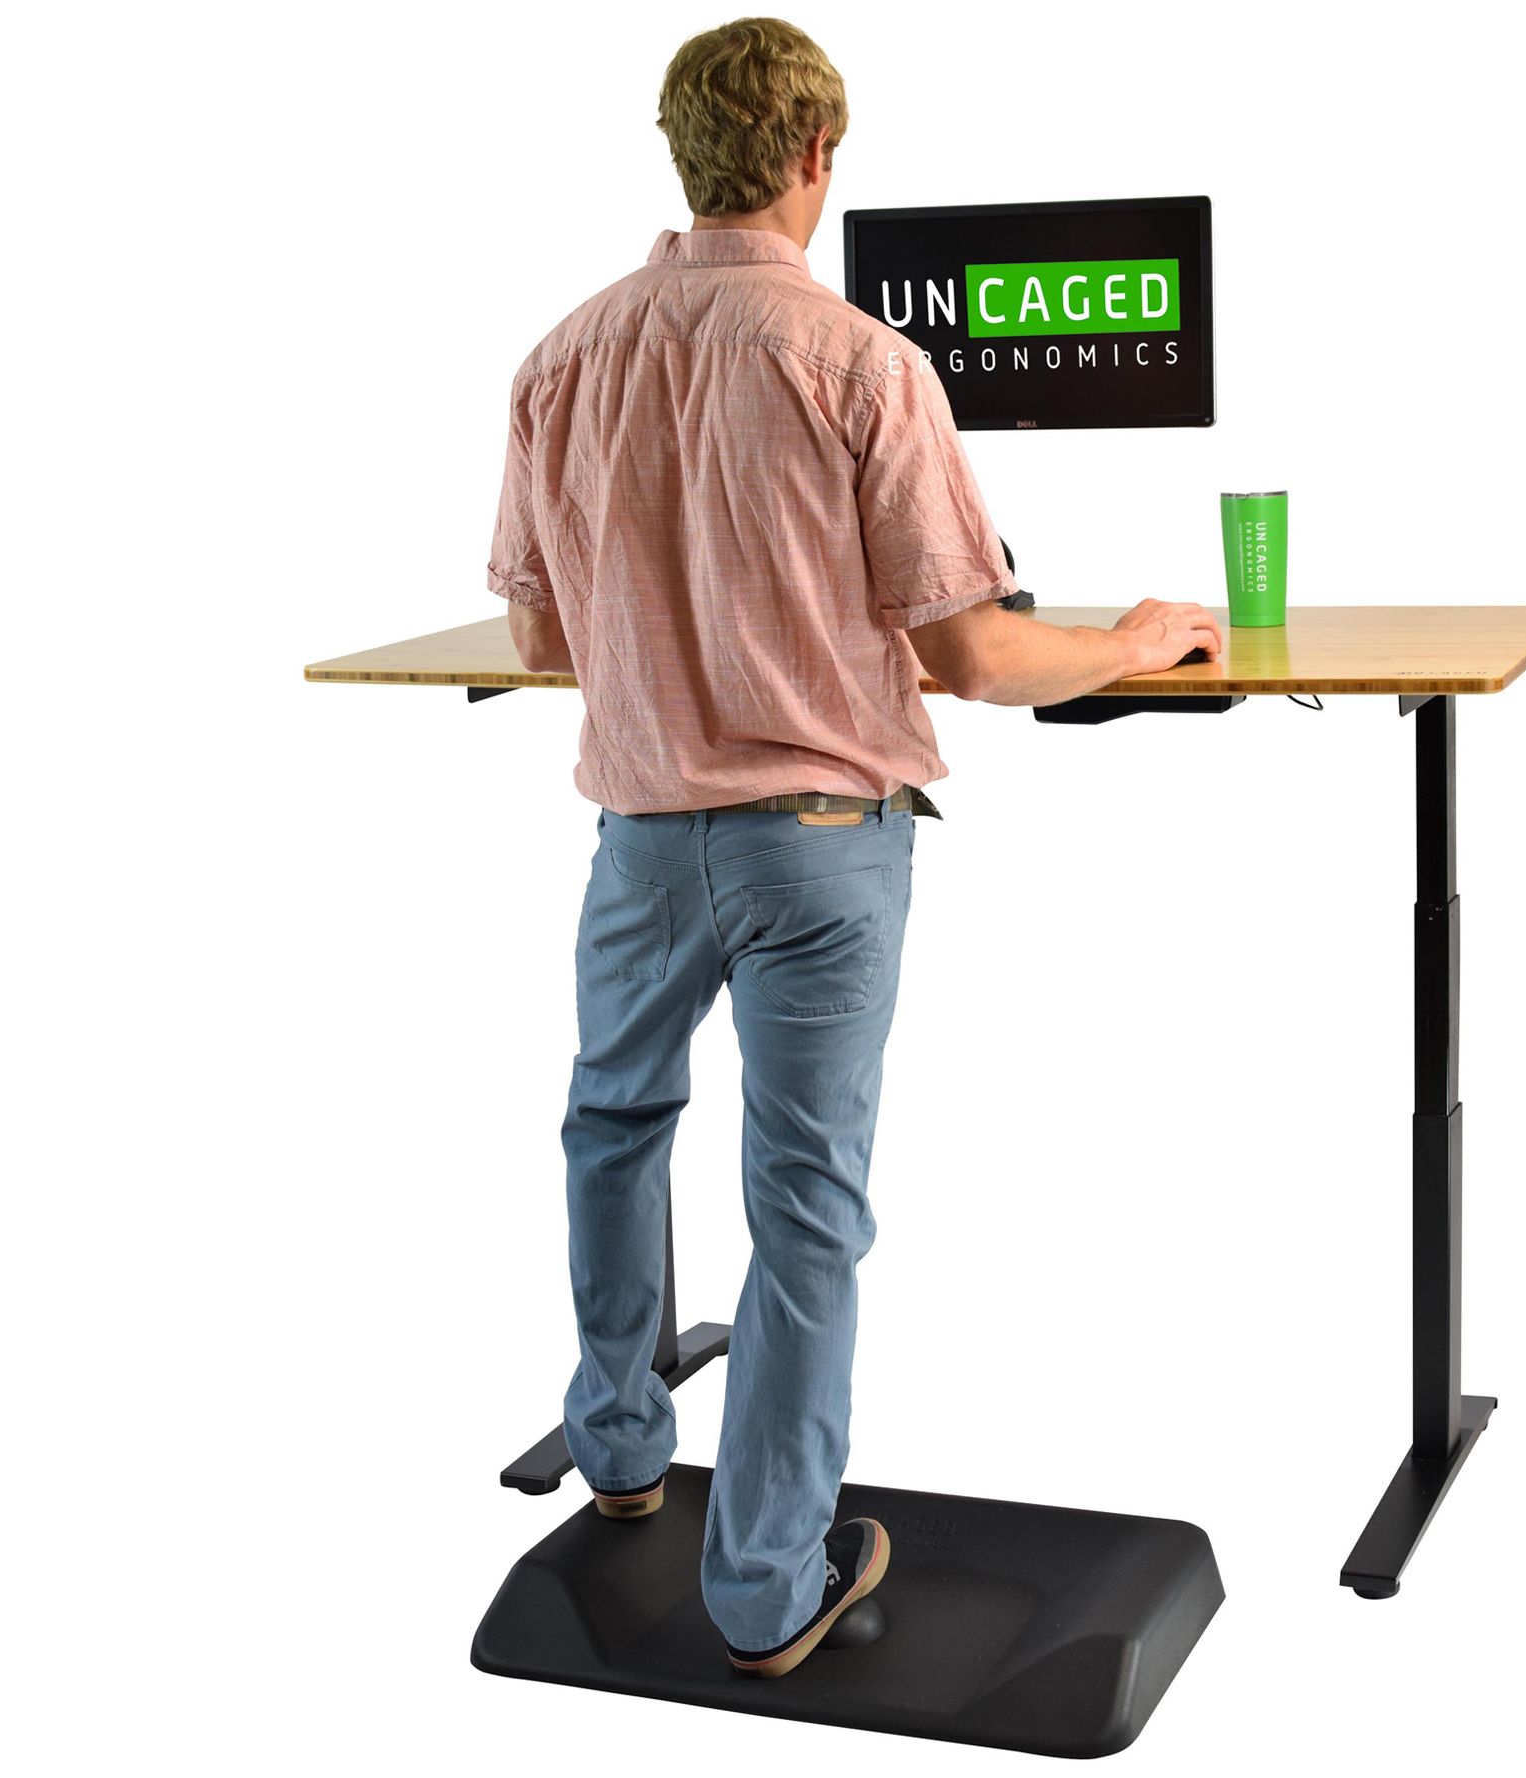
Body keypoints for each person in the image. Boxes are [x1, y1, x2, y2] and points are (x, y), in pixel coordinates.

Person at [486, 16, 1220, 1680]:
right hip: (816, 847)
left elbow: (539, 641)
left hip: (640, 835)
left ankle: (618, 1448)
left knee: (612, 1125)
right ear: (817, 157)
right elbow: (975, 655)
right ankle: (763, 1585)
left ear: (683, 155)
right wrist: (1137, 638)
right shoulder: (862, 362)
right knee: (803, 1206)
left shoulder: (558, 358)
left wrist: (679, 610)